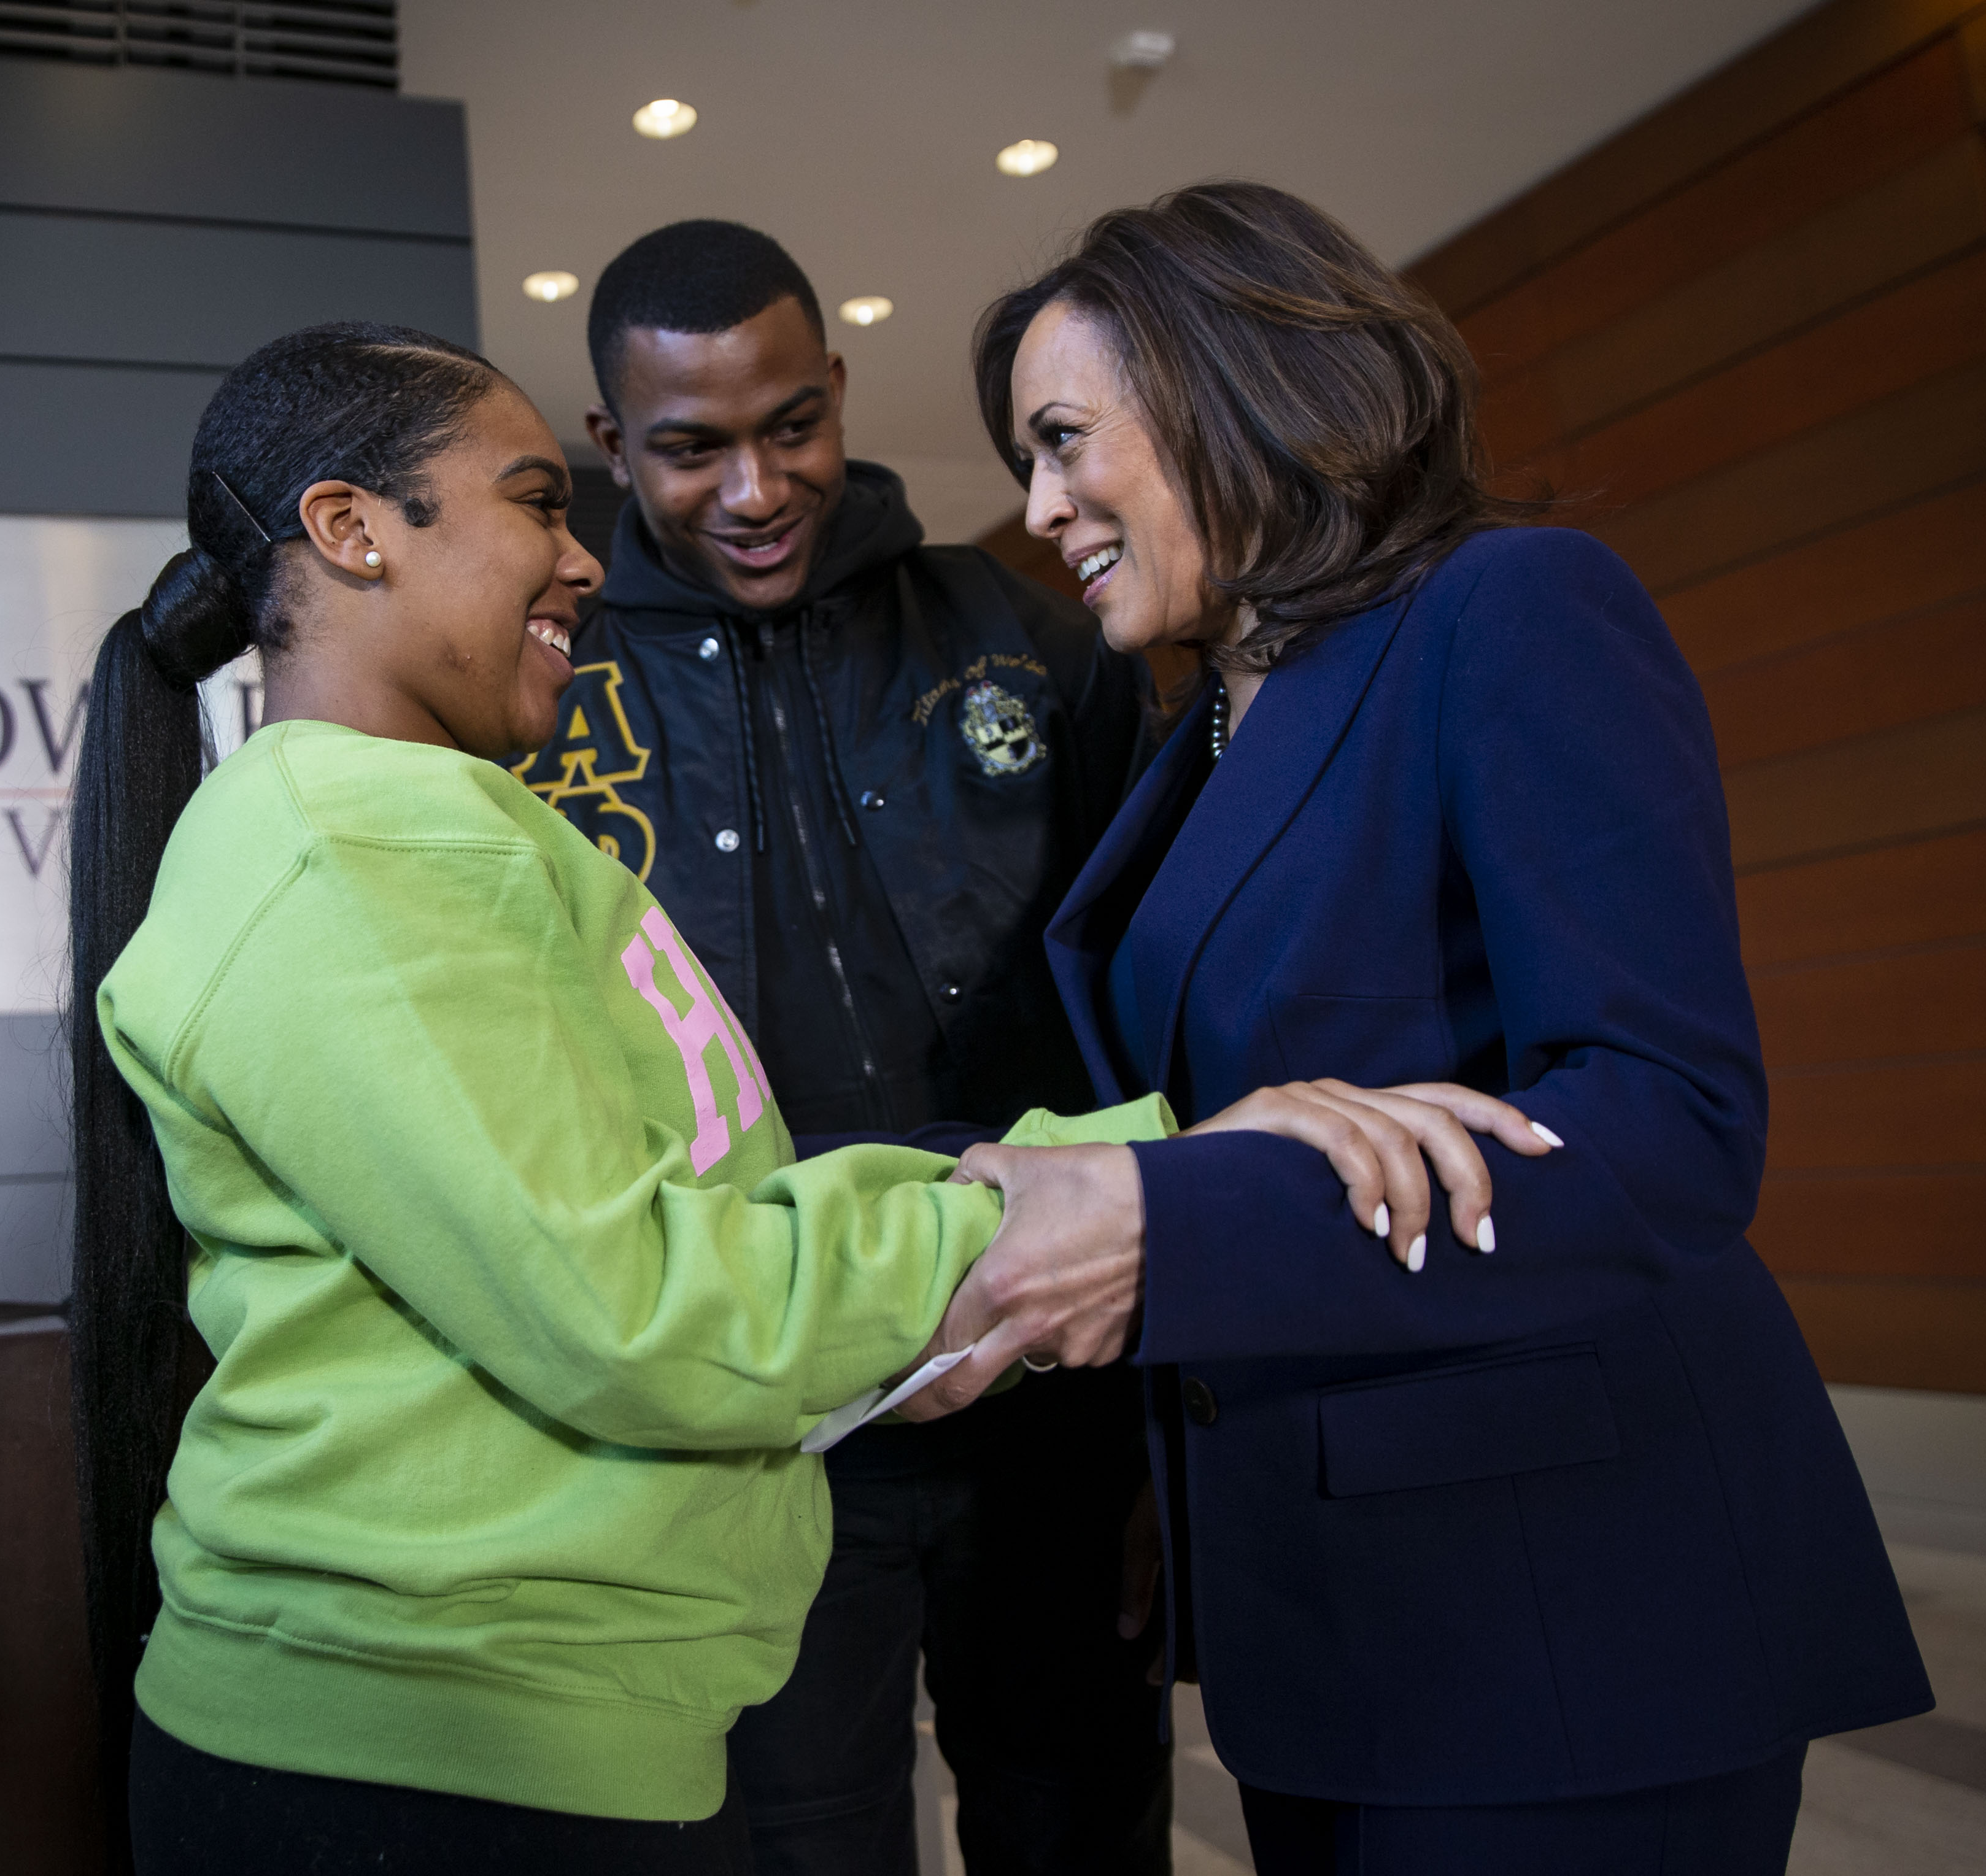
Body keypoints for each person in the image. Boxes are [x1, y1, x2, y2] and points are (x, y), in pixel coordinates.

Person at [63, 320, 1235, 1875]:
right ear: (352, 531)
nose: (585, 559)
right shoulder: (346, 853)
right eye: (537, 502)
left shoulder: (437, 826)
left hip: (547, 1730)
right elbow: (636, 1311)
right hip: (425, 1762)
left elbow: (691, 1227)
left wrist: (1103, 1172)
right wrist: (1123, 1202)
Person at [914, 183, 1934, 1874]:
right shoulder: (1209, 738)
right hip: (1327, 1618)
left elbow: (1667, 1123)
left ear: (1227, 386)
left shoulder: (1508, 609)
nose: (1040, 507)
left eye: (1065, 441)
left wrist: (1170, 1224)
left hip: (1570, 1613)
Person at [527, 219, 1164, 1874]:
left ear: (836, 390)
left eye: (789, 425)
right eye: (690, 449)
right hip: (764, 1411)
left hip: (1039, 1368)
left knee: (1080, 1818)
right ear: (611, 445)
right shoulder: (546, 693)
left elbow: (1132, 987)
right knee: (803, 1842)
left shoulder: (1014, 627)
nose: (752, 489)